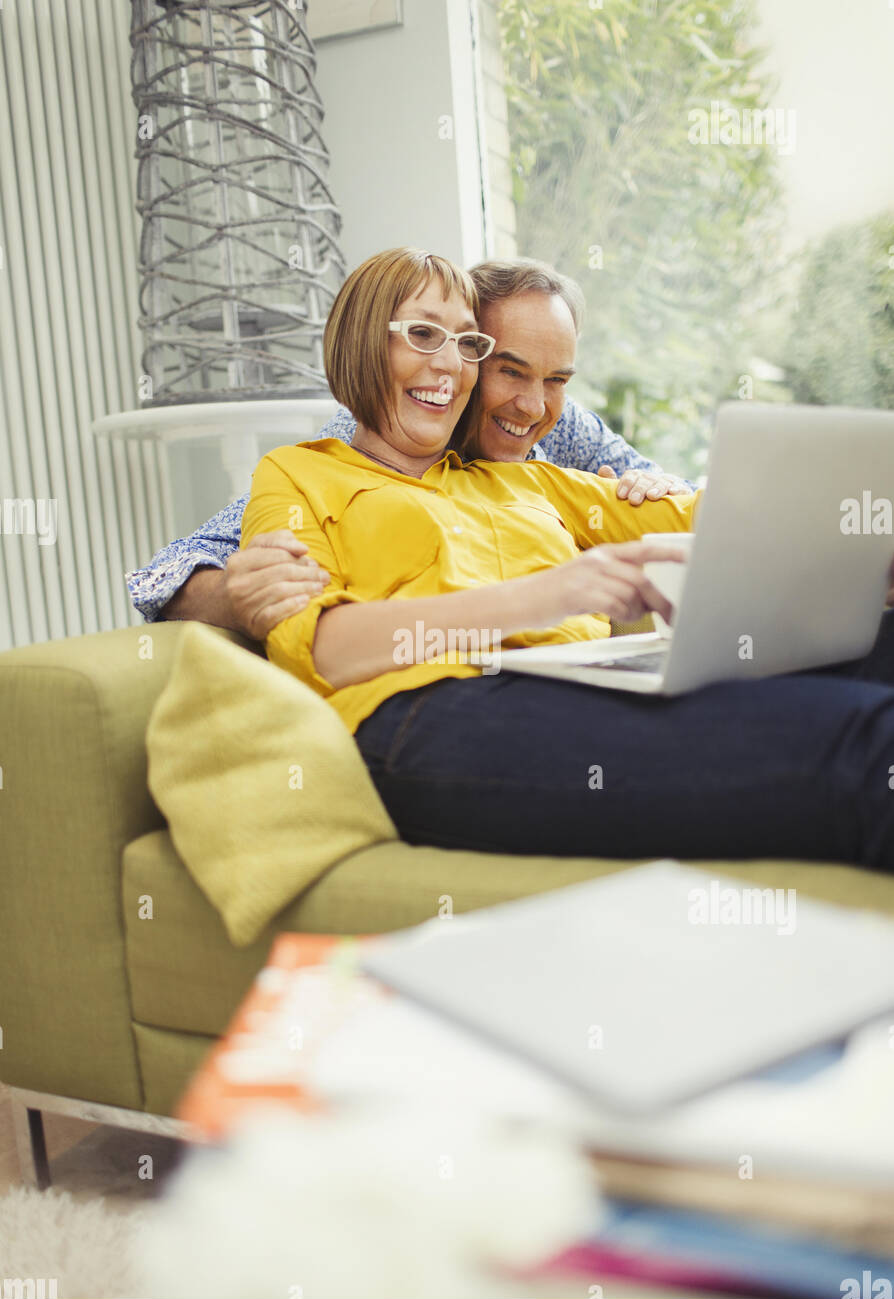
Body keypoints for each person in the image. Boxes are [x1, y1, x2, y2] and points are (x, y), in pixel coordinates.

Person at [240, 246, 894, 872]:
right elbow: (326, 650)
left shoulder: (523, 479)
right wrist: (559, 591)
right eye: (422, 334)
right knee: (862, 746)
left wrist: (862, 537)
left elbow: (719, 516)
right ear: (361, 341)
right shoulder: (296, 474)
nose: (450, 366)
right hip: (427, 713)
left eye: (468, 344)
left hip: (579, 682)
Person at [126, 258, 692, 639]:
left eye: (556, 379)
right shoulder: (355, 452)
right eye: (508, 369)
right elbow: (167, 573)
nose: (532, 405)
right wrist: (238, 594)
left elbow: (669, 499)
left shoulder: (557, 425)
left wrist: (653, 486)